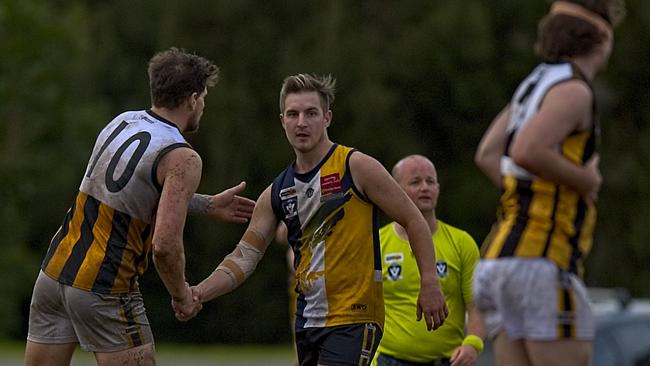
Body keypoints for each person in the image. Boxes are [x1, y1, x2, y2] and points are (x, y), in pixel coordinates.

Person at [178, 73, 448, 366]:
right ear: (282, 121)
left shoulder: (355, 166)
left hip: (354, 317)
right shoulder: (278, 191)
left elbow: (413, 219)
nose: (301, 122)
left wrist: (430, 282)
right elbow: (243, 257)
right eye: (293, 114)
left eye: (311, 113)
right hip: (307, 323)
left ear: (327, 118)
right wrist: (197, 292)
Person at [24, 47, 255, 366]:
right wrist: (181, 295)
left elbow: (124, 196)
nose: (202, 105)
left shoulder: (123, 122)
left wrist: (207, 204)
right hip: (105, 286)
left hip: (54, 274)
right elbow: (164, 246)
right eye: (202, 98)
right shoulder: (182, 157)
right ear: (192, 98)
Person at [473, 1, 625, 365]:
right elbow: (527, 149)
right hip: (541, 260)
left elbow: (488, 154)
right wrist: (584, 179)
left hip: (499, 260)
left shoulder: (534, 84)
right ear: (602, 37)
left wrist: (533, 193)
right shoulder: (574, 90)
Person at [372, 155, 485, 366]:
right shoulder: (376, 243)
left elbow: (477, 304)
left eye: (430, 181)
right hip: (389, 360)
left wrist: (472, 343)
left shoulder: (461, 242)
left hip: (448, 361)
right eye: (415, 182)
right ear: (395, 189)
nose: (425, 187)